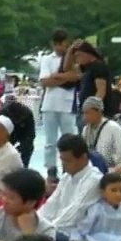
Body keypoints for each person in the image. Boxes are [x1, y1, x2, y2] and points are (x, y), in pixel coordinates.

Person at [36, 135, 103, 241]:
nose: (63, 165)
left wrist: (43, 229)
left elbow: (75, 213)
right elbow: (51, 204)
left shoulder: (94, 180)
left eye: (67, 160)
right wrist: (36, 222)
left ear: (83, 158)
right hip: (54, 230)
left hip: (73, 236)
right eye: (61, 160)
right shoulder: (67, 177)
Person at [37, 29, 80, 175]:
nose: (60, 48)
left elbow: (76, 77)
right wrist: (65, 77)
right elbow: (44, 82)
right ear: (53, 44)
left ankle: (69, 168)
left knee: (69, 138)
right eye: (57, 45)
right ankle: (51, 168)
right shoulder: (47, 59)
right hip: (50, 104)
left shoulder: (73, 58)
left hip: (67, 105)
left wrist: (56, 77)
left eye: (63, 44)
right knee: (50, 141)